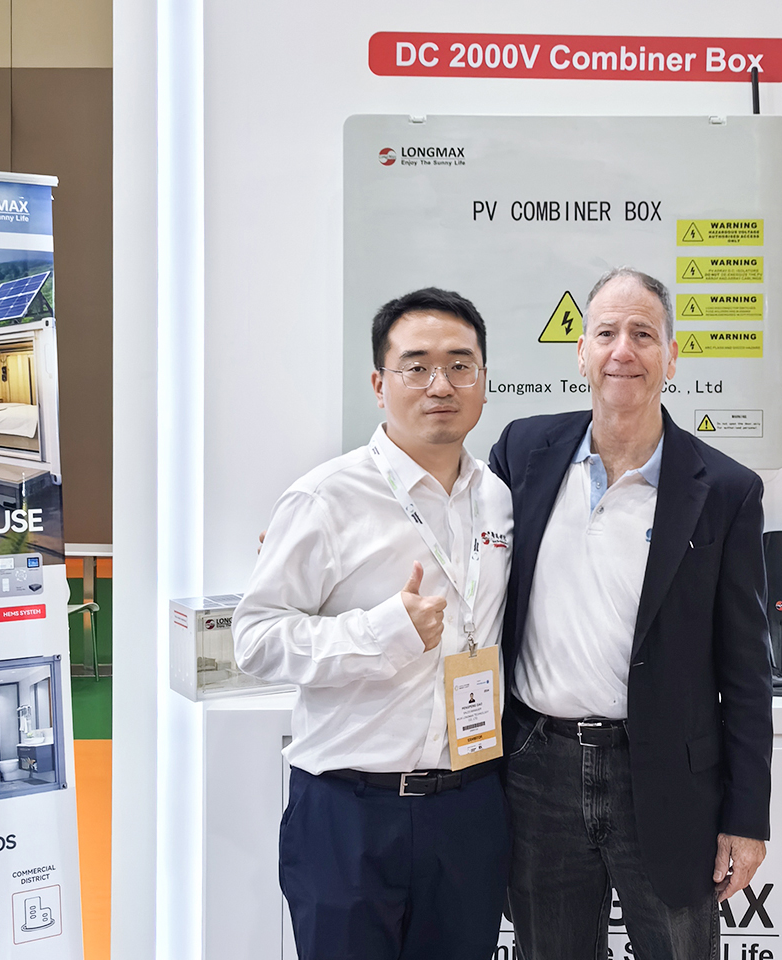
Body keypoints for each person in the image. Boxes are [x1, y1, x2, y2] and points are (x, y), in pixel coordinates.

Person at [489, 267, 773, 960]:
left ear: (671, 357)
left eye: (643, 334)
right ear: (580, 352)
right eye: (607, 333)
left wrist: (746, 817)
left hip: (666, 777)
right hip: (538, 769)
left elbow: (746, 672)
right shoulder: (522, 453)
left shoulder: (725, 491)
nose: (624, 350)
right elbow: (458, 545)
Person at [233, 288, 514, 960]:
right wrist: (381, 634)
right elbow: (254, 639)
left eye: (460, 366)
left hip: (469, 808)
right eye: (416, 367)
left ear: (483, 380)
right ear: (379, 384)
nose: (440, 385)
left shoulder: (498, 498)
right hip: (349, 811)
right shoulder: (326, 498)